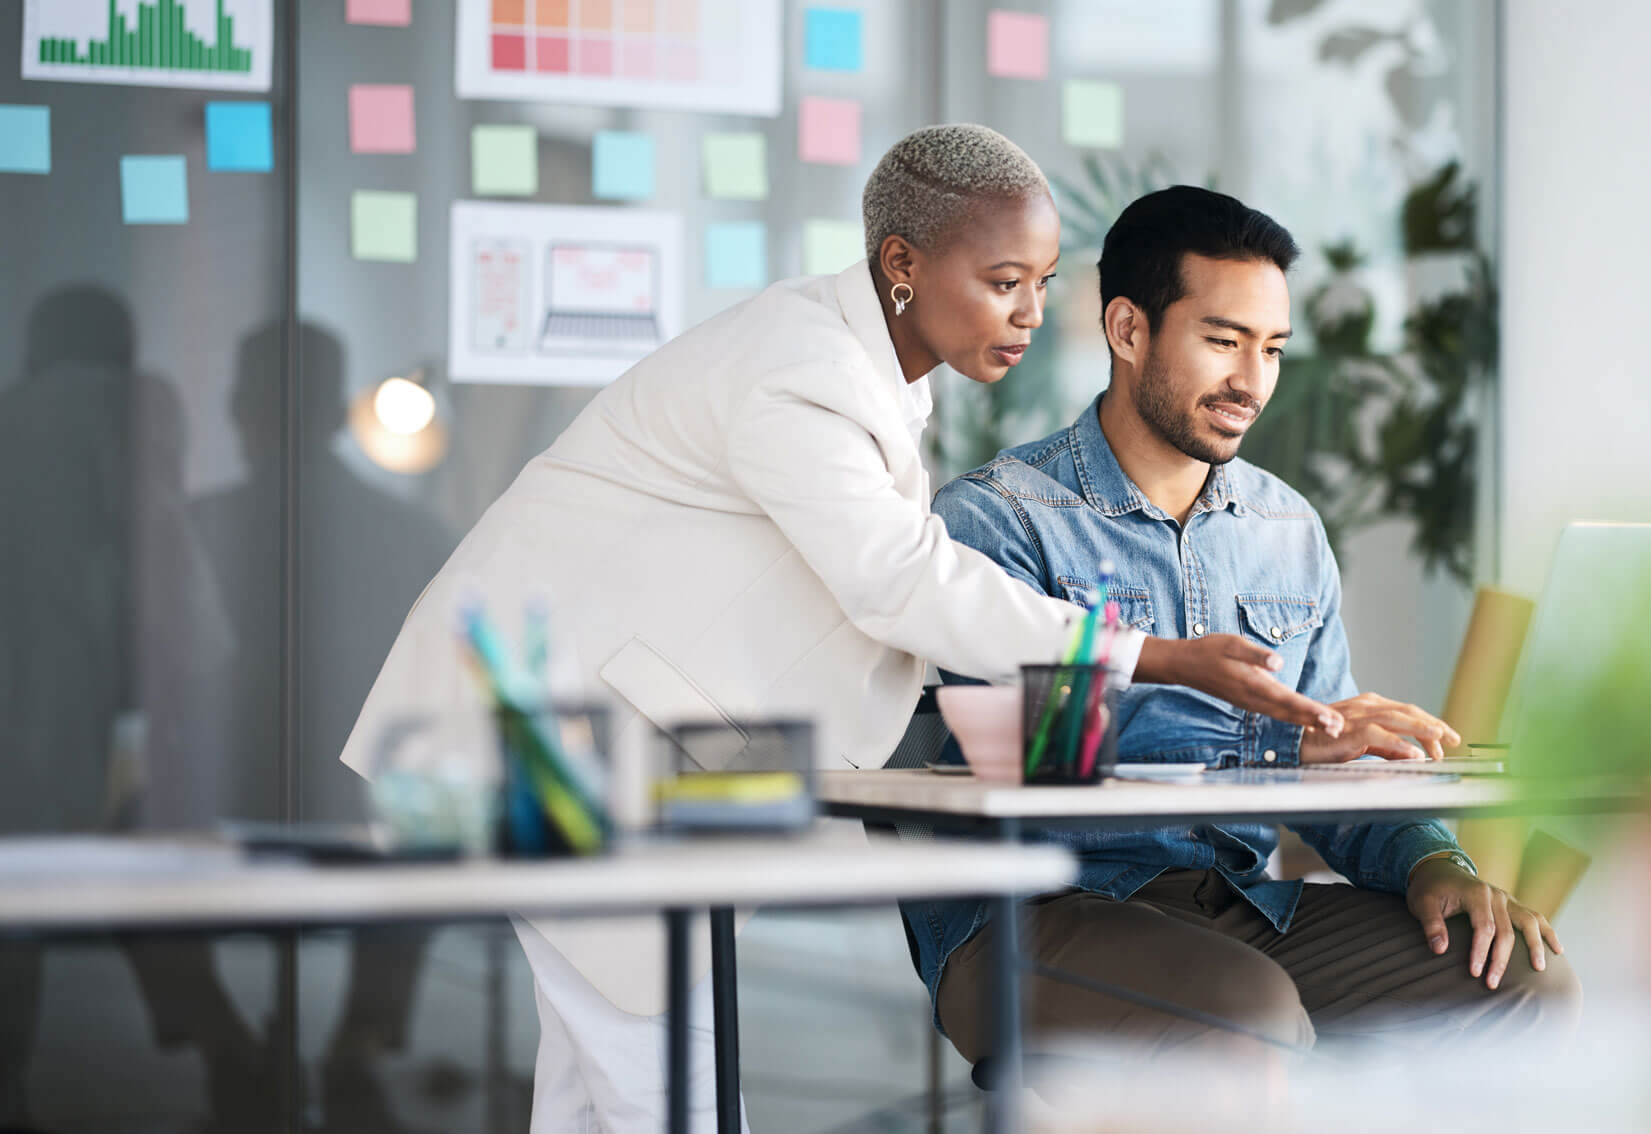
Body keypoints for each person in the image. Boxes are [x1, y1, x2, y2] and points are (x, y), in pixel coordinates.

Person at [339, 127, 1346, 1130]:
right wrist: (1158, 656)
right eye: (1004, 281)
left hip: (594, 746)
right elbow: (896, 579)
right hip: (537, 742)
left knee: (603, 1091)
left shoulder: (867, 376)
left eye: (1041, 282)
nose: (1032, 314)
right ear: (902, 265)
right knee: (669, 1093)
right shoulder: (802, 369)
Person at [909, 186, 1580, 1083]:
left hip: (1240, 906)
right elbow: (1034, 761)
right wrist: (1277, 742)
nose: (1252, 382)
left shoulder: (1285, 528)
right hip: (1034, 912)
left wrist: (1432, 862)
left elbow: (1335, 756)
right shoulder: (999, 520)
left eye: (1271, 349)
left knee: (1521, 981)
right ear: (1127, 330)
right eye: (1223, 341)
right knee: (1247, 1016)